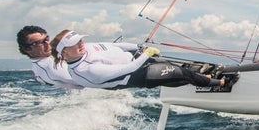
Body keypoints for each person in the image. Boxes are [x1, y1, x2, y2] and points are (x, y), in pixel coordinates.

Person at [51, 30, 226, 90]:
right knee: (180, 73)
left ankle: (200, 79)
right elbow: (129, 69)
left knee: (174, 69)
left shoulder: (86, 47)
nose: (80, 44)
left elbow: (117, 47)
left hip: (140, 60)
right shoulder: (85, 70)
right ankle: (219, 84)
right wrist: (146, 54)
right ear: (64, 53)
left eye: (80, 40)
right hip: (138, 75)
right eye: (74, 44)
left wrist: (138, 47)